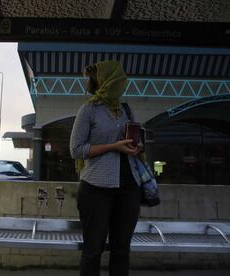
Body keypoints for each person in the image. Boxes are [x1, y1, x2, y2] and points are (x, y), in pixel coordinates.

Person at [70, 60, 143, 276]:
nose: (123, 84)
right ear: (109, 82)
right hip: (96, 189)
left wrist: (136, 146)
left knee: (121, 251)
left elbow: (134, 141)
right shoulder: (89, 109)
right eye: (120, 81)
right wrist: (114, 146)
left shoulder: (126, 109)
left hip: (129, 188)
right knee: (93, 251)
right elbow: (76, 149)